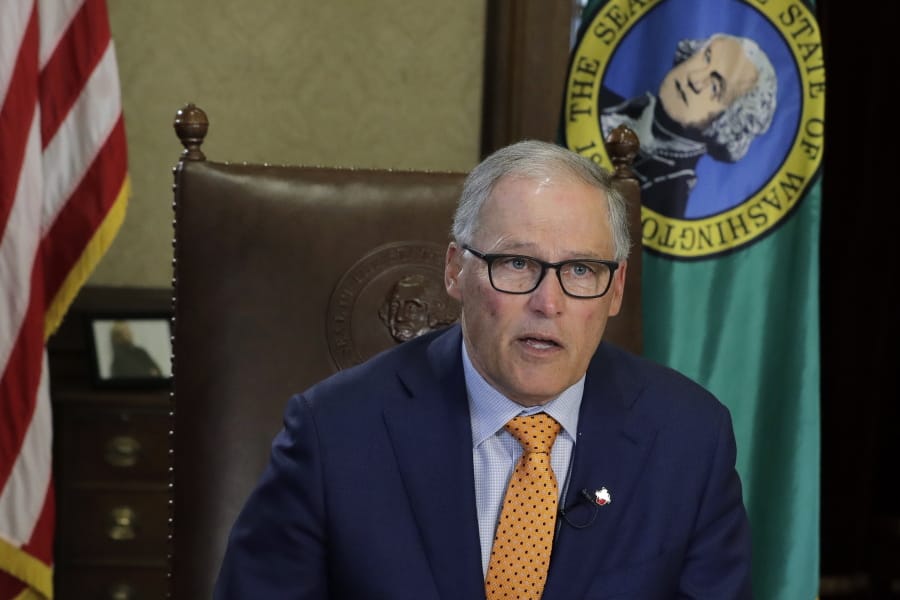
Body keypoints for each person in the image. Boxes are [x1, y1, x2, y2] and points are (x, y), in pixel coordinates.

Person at [213, 140, 752, 598]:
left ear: (615, 289)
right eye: (517, 263)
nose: (548, 302)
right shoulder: (333, 433)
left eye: (582, 270)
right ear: (456, 272)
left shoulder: (689, 440)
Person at [600, 32, 777, 217]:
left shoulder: (661, 196)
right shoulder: (597, 104)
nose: (694, 78)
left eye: (716, 86)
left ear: (728, 122)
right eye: (705, 57)